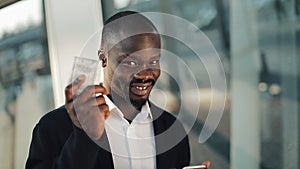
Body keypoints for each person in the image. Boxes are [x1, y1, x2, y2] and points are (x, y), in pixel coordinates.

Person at [26, 11, 191, 169]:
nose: (145, 74)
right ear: (103, 58)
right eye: (131, 63)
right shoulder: (52, 128)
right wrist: (85, 136)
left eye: (154, 61)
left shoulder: (173, 130)